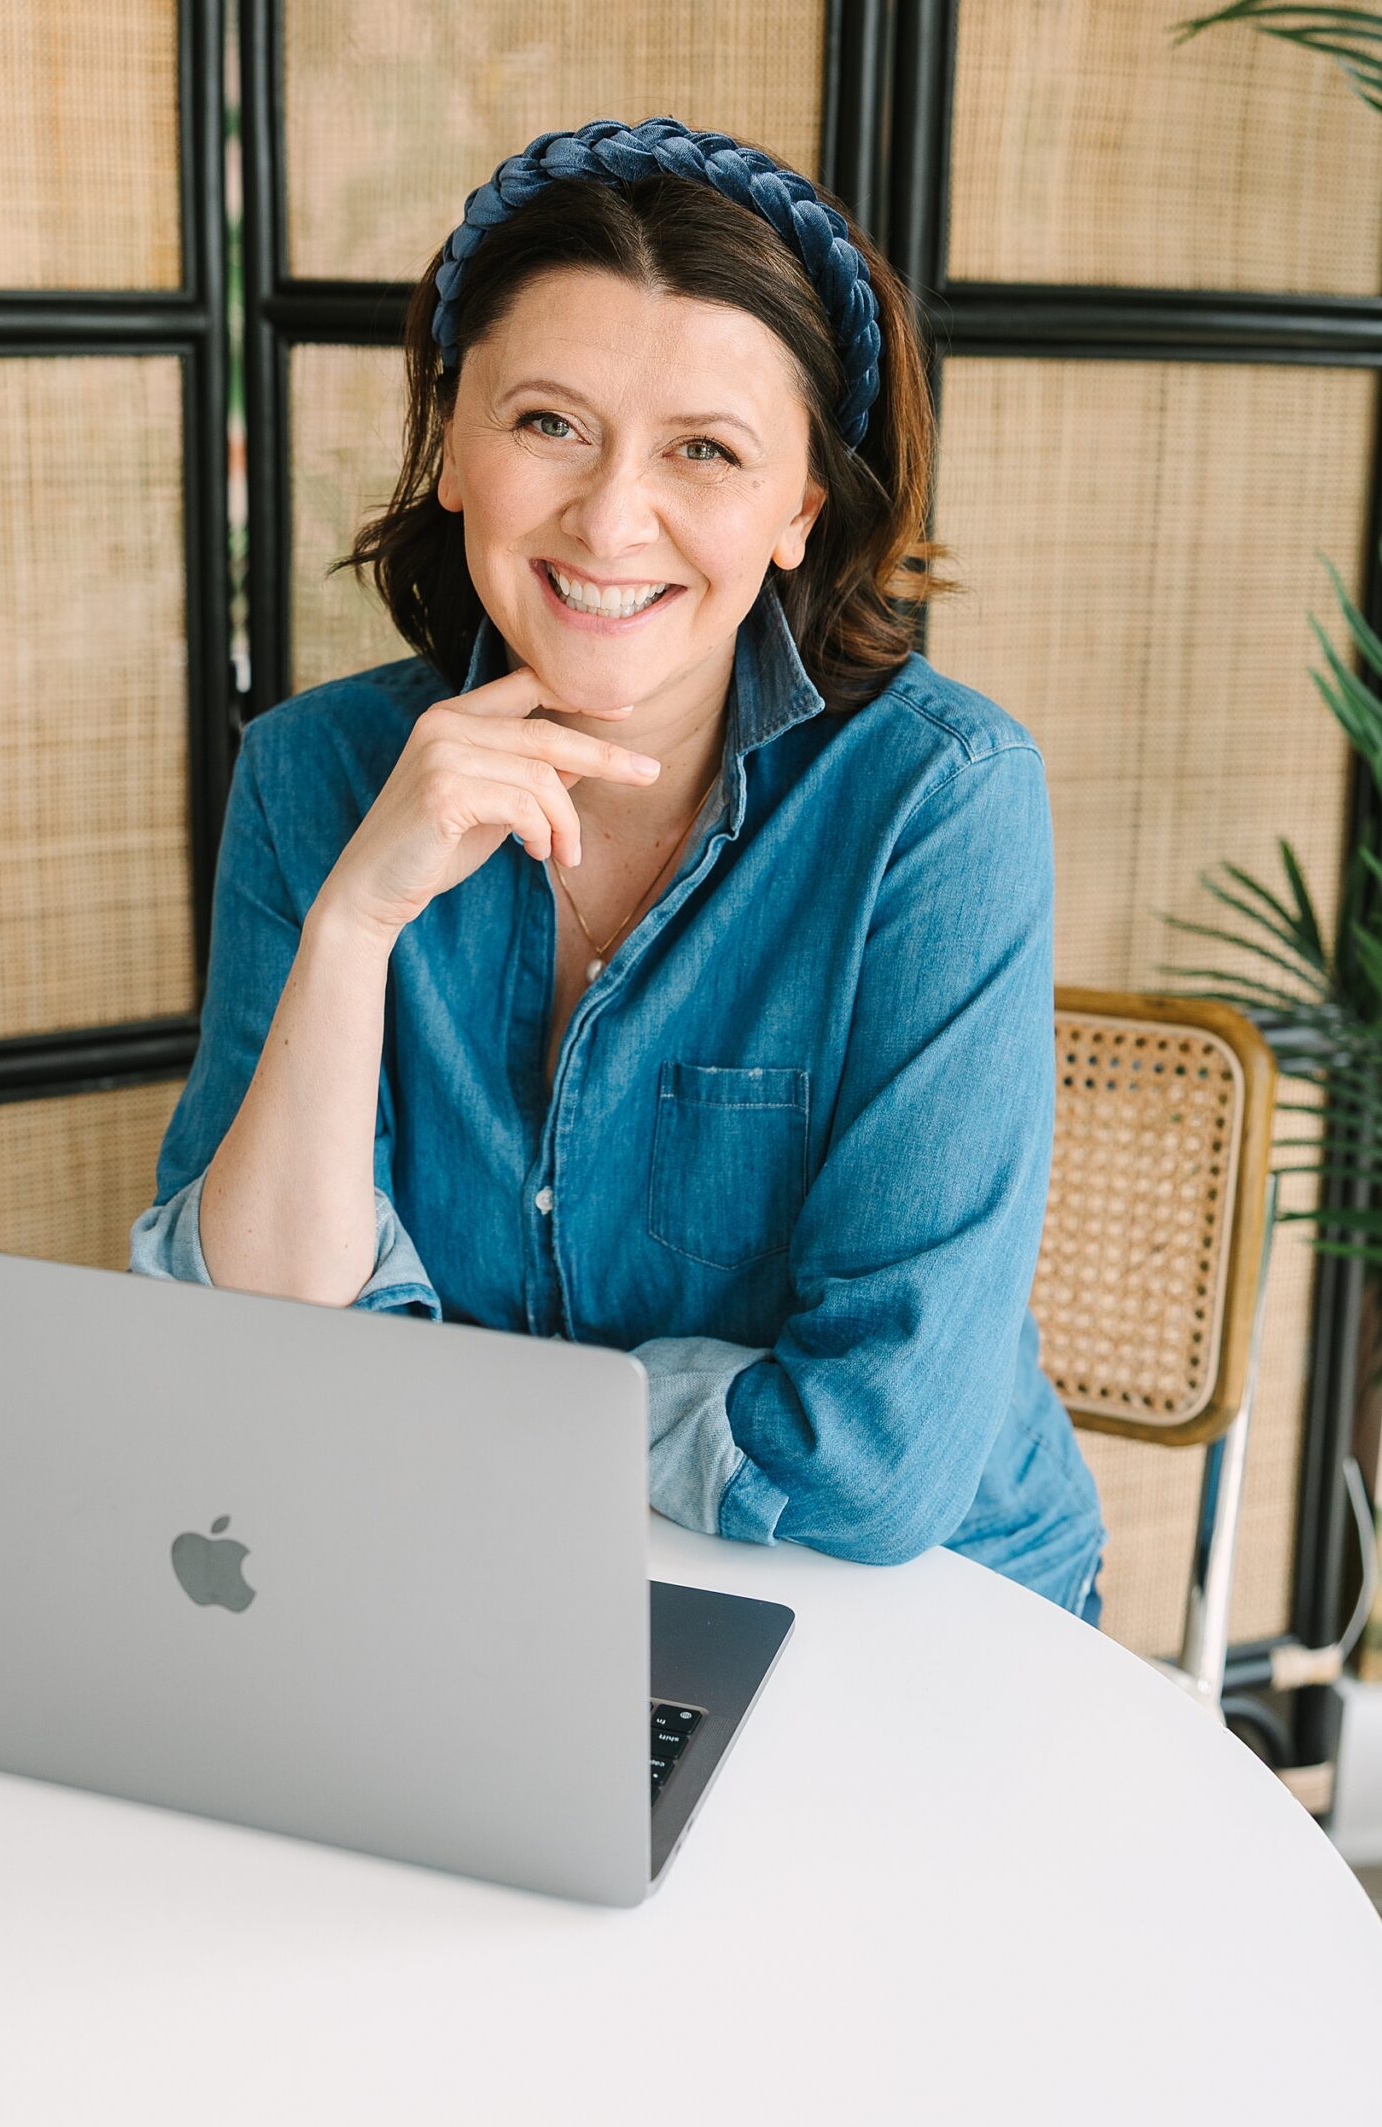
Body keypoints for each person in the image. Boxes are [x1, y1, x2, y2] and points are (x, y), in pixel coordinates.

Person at [130, 115, 1107, 1623]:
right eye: (548, 425)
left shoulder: (941, 804)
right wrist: (356, 923)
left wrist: (464, 1401)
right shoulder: (315, 778)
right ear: (453, 447)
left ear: (799, 512)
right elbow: (249, 1346)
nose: (608, 519)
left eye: (705, 452)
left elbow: (874, 1464)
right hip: (479, 1585)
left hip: (914, 1613)